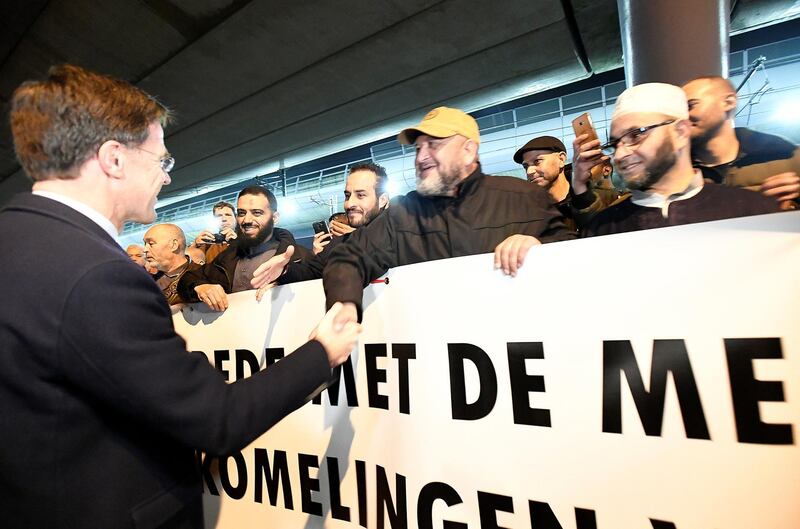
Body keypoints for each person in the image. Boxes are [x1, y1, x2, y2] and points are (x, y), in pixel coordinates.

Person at [0, 64, 360, 529]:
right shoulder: (100, 277)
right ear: (114, 159)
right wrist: (321, 353)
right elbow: (217, 420)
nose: (168, 177)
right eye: (162, 160)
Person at [304, 106, 572, 325]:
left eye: (434, 145)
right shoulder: (404, 214)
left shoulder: (524, 198)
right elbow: (349, 257)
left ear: (468, 150)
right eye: (418, 148)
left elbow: (580, 257)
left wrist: (539, 249)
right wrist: (345, 306)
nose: (421, 157)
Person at [572, 83, 779, 237]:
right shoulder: (600, 230)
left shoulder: (754, 212)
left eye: (637, 135)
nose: (620, 154)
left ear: (680, 132)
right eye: (615, 144)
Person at [250, 161, 390, 297]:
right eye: (347, 195)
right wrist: (284, 269)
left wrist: (360, 239)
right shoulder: (338, 244)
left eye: (361, 195)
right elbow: (310, 271)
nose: (349, 203)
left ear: (383, 200)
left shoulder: (400, 235)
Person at [177, 185, 311, 311]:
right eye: (241, 213)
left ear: (274, 217)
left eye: (257, 213)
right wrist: (200, 287)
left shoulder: (300, 256)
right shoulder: (228, 256)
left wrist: (285, 281)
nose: (247, 220)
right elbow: (187, 279)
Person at [682, 76, 800, 210]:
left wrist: (792, 206)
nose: (683, 116)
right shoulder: (677, 174)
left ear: (728, 102)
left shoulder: (788, 157)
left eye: (690, 105)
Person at [513, 135, 620, 231]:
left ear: (561, 159)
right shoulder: (529, 214)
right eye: (526, 166)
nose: (529, 171)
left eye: (537, 161)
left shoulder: (602, 199)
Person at [143, 223, 200, 305]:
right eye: (145, 244)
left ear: (174, 245)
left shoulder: (202, 275)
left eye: (151, 243)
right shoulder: (149, 282)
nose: (145, 249)